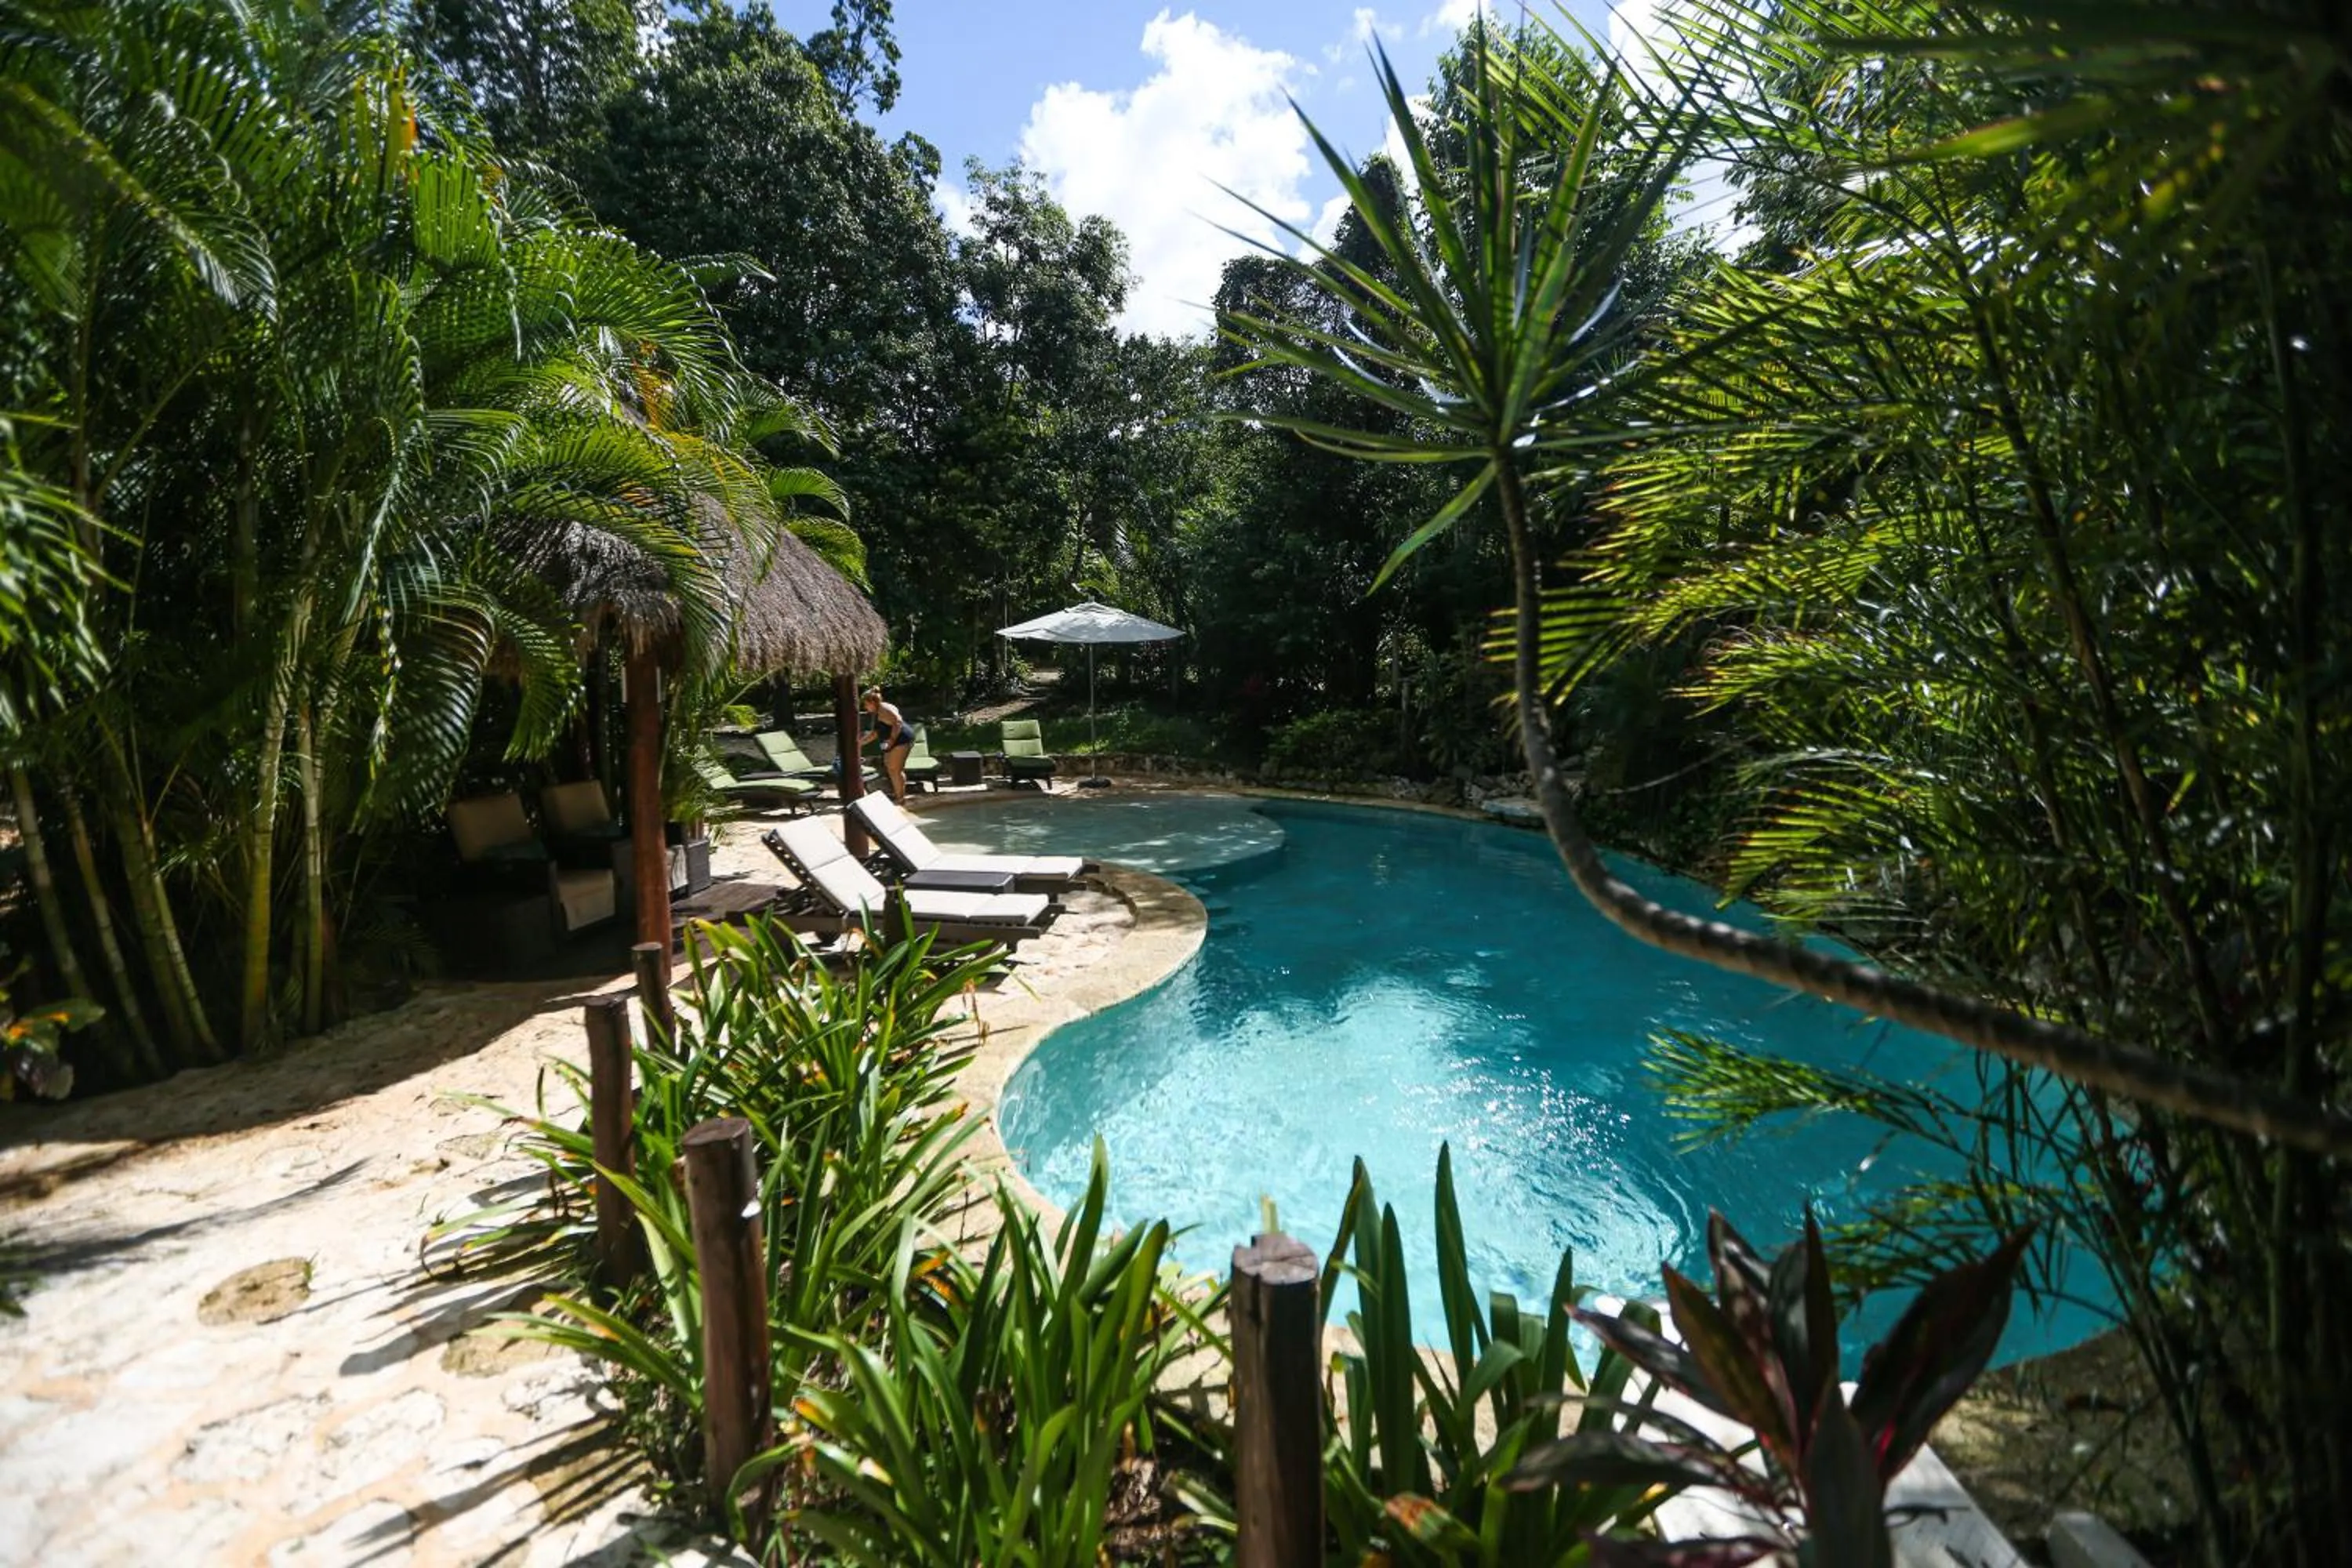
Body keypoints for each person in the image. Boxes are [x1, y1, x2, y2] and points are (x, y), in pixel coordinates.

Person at [860, 688, 913, 805]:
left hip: (901, 739)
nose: (865, 708)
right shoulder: (878, 711)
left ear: (872, 702)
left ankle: (900, 799)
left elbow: (898, 722)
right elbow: (875, 733)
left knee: (895, 770)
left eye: (866, 704)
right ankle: (898, 795)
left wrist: (892, 740)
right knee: (891, 767)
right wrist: (860, 743)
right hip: (892, 741)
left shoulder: (884, 709)